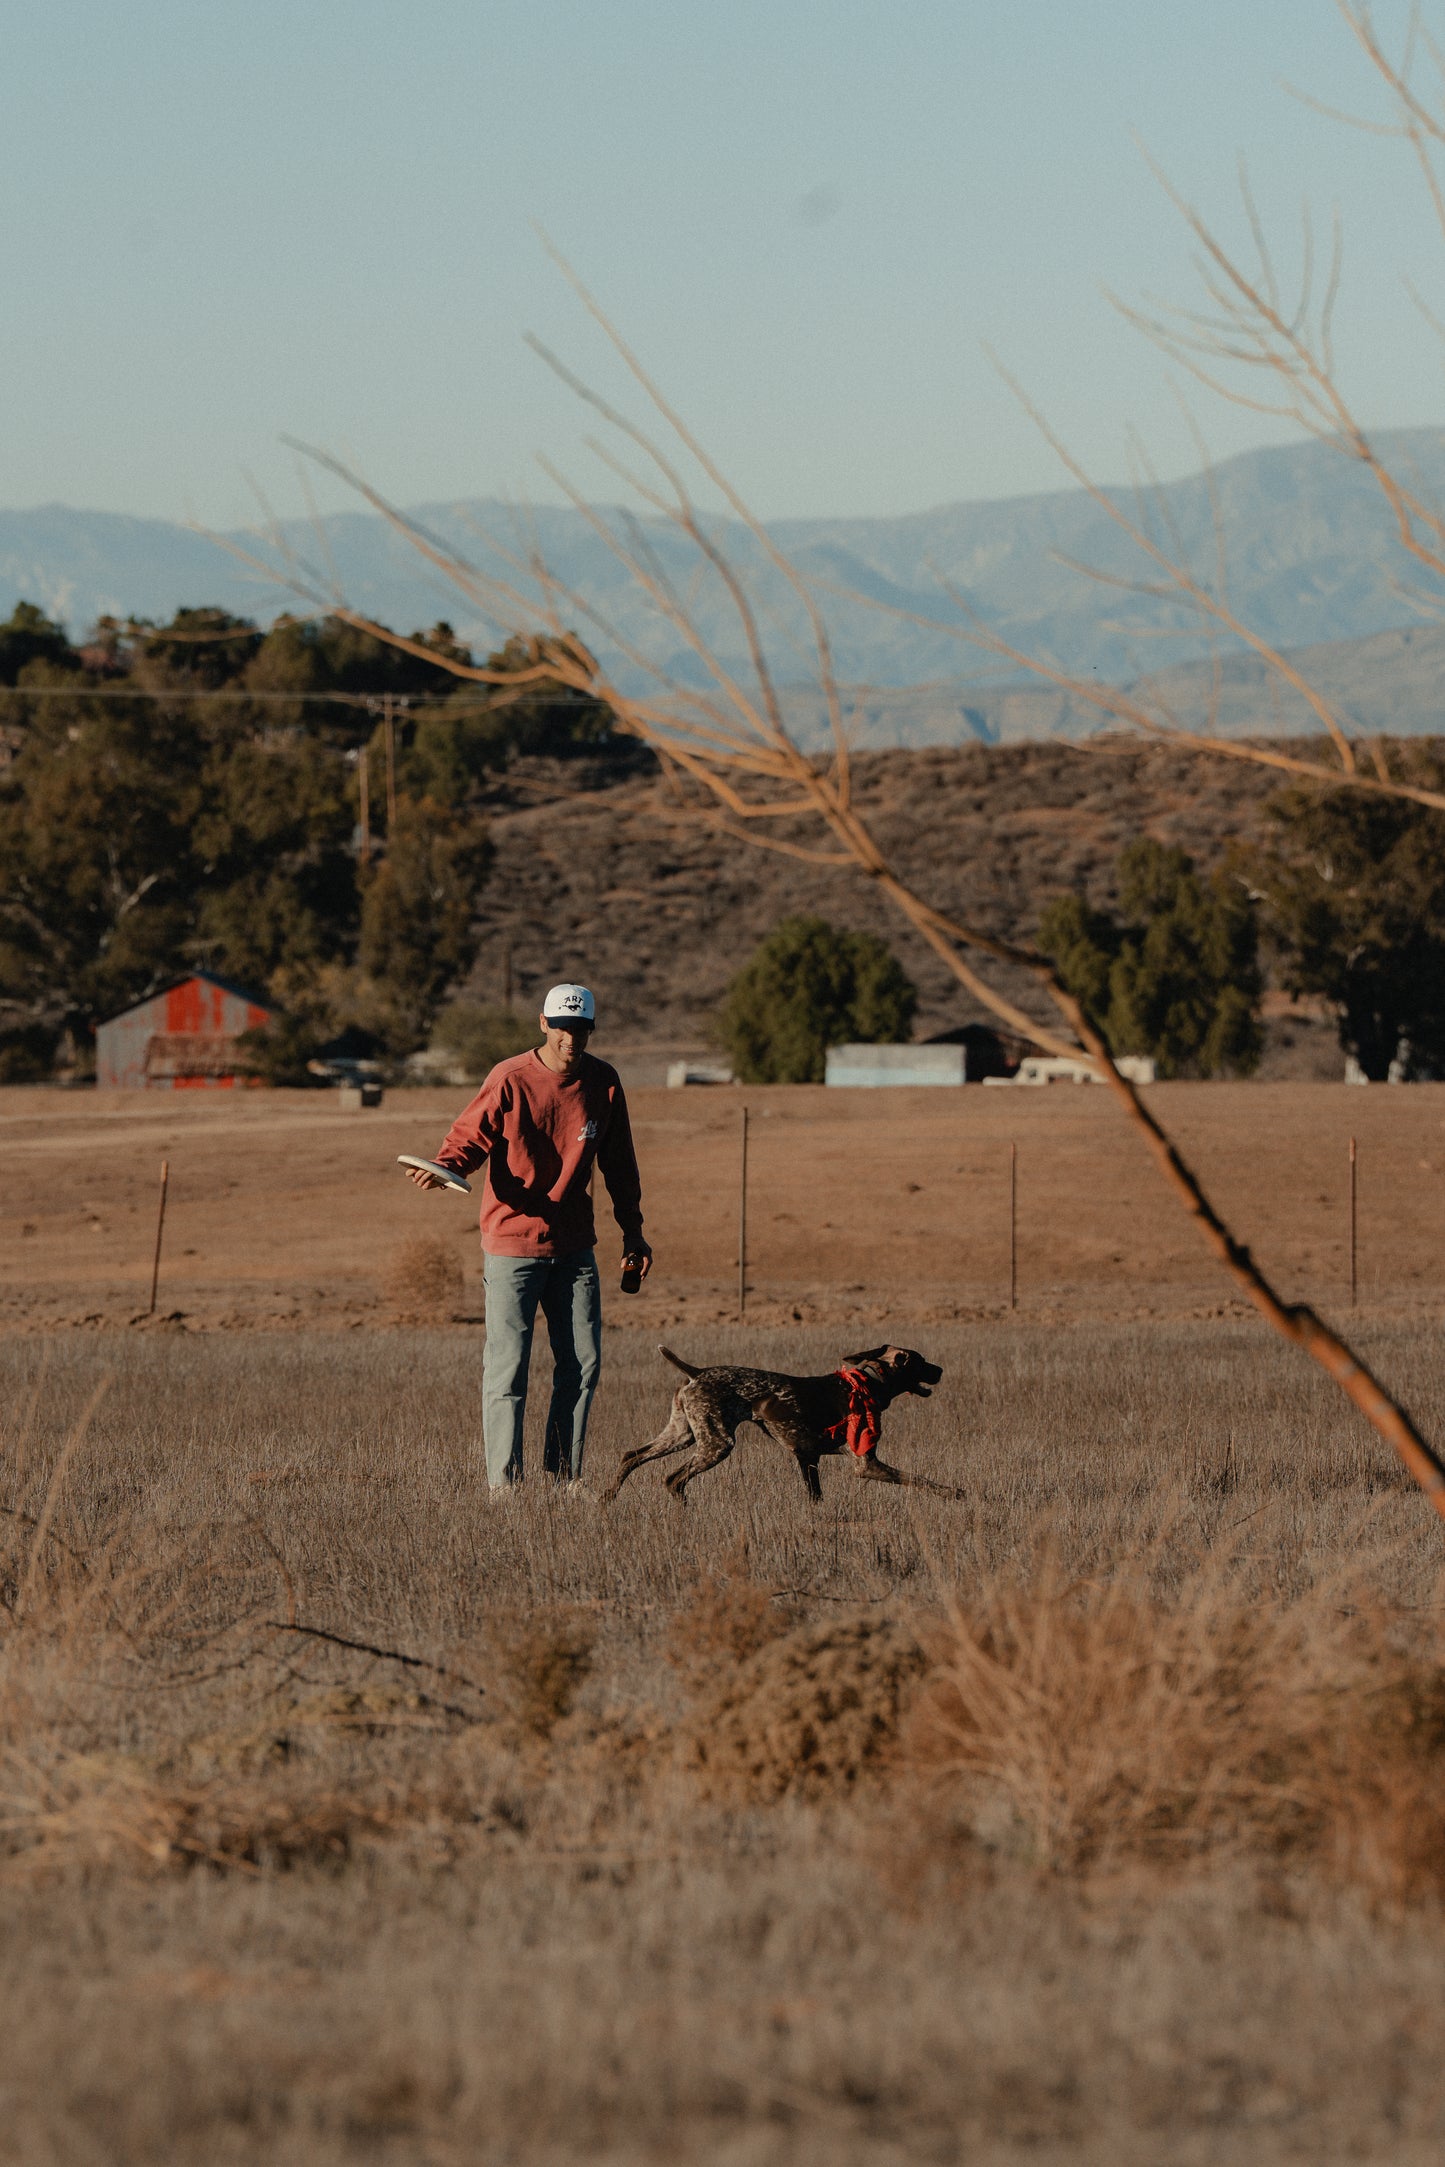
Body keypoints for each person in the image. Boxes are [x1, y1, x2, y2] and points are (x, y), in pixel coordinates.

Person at [405, 983, 651, 1491]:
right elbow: (470, 1137)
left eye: (581, 1030)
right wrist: (445, 1168)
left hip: (574, 1246)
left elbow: (620, 1165)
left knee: (583, 1365)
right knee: (508, 1369)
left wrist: (635, 1234)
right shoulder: (510, 1078)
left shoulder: (604, 1082)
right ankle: (505, 1488)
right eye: (562, 1028)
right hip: (511, 1246)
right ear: (544, 1024)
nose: (571, 1040)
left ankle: (563, 1478)